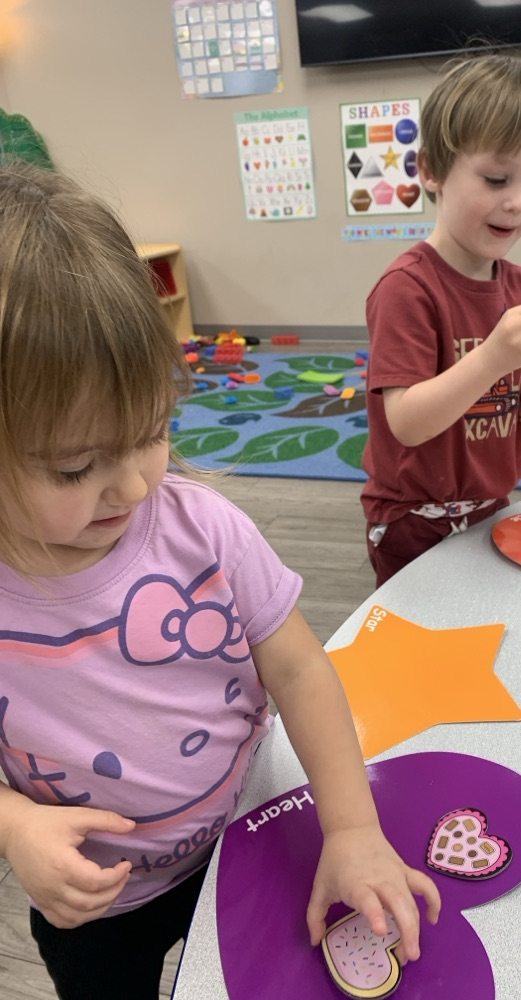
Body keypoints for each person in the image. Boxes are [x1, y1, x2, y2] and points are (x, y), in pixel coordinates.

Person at [0, 160, 440, 1000]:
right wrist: (17, 823)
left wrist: (350, 826)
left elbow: (303, 669)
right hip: (98, 905)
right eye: (76, 467)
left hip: (248, 829)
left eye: (152, 431)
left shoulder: (204, 529)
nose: (133, 486)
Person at [361, 53, 521, 586]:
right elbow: (407, 422)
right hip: (414, 520)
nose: (517, 205)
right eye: (497, 177)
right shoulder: (407, 288)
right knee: (418, 648)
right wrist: (495, 355)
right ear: (431, 170)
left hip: (491, 510)